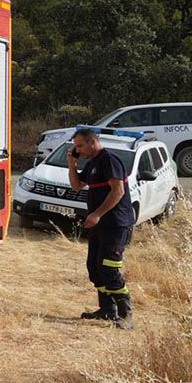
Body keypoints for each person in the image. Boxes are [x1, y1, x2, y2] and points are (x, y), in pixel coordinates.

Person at [67, 128, 135, 329]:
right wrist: (72, 165)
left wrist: (97, 214)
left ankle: (126, 315)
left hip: (115, 224)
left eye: (80, 146)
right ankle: (107, 310)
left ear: (92, 142)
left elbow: (118, 191)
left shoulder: (109, 160)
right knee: (94, 268)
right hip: (100, 226)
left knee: (109, 269)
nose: (77, 149)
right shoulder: (93, 163)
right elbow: (77, 186)